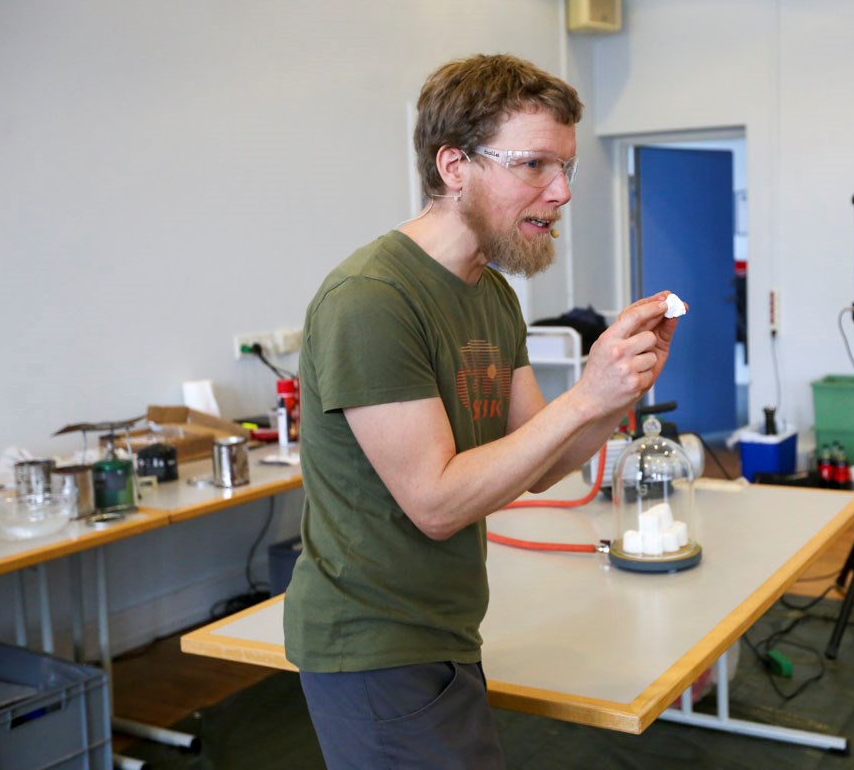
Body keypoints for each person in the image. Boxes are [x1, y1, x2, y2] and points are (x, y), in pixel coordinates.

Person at [283, 53, 684, 769]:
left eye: (565, 167)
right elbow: (436, 504)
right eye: (534, 165)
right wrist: (586, 395)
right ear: (454, 167)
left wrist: (616, 392)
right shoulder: (371, 300)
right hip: (373, 641)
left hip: (445, 626)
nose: (561, 191)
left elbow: (539, 461)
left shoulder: (491, 294)